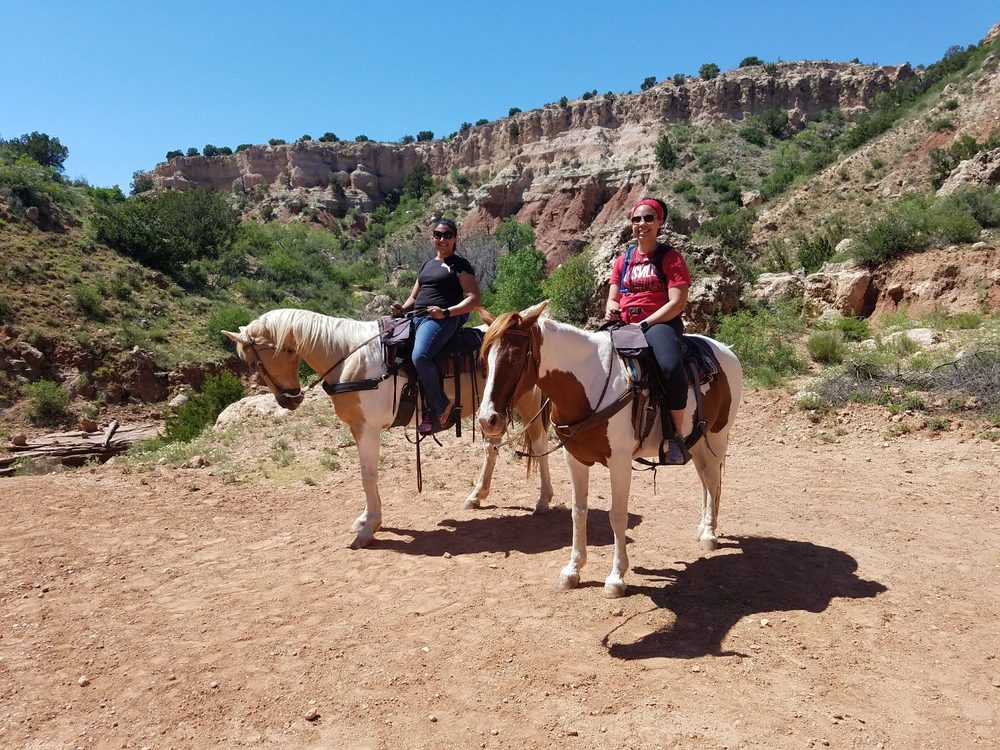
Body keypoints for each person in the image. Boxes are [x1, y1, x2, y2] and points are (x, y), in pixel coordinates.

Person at [606, 197, 692, 464]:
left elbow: (677, 302)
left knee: (668, 366)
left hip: (659, 324)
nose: (641, 224)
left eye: (648, 218)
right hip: (625, 325)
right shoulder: (624, 260)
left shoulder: (670, 258)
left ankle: (675, 437)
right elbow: (613, 297)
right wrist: (611, 308)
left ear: (659, 223)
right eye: (636, 219)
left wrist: (646, 324)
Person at [391, 219, 482, 433]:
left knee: (420, 356)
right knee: (389, 346)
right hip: (417, 316)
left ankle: (441, 407)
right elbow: (414, 296)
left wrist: (446, 312)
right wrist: (401, 310)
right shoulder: (427, 265)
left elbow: (474, 298)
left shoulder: (460, 265)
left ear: (455, 238)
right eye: (438, 235)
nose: (442, 239)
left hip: (443, 318)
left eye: (447, 235)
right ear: (433, 237)